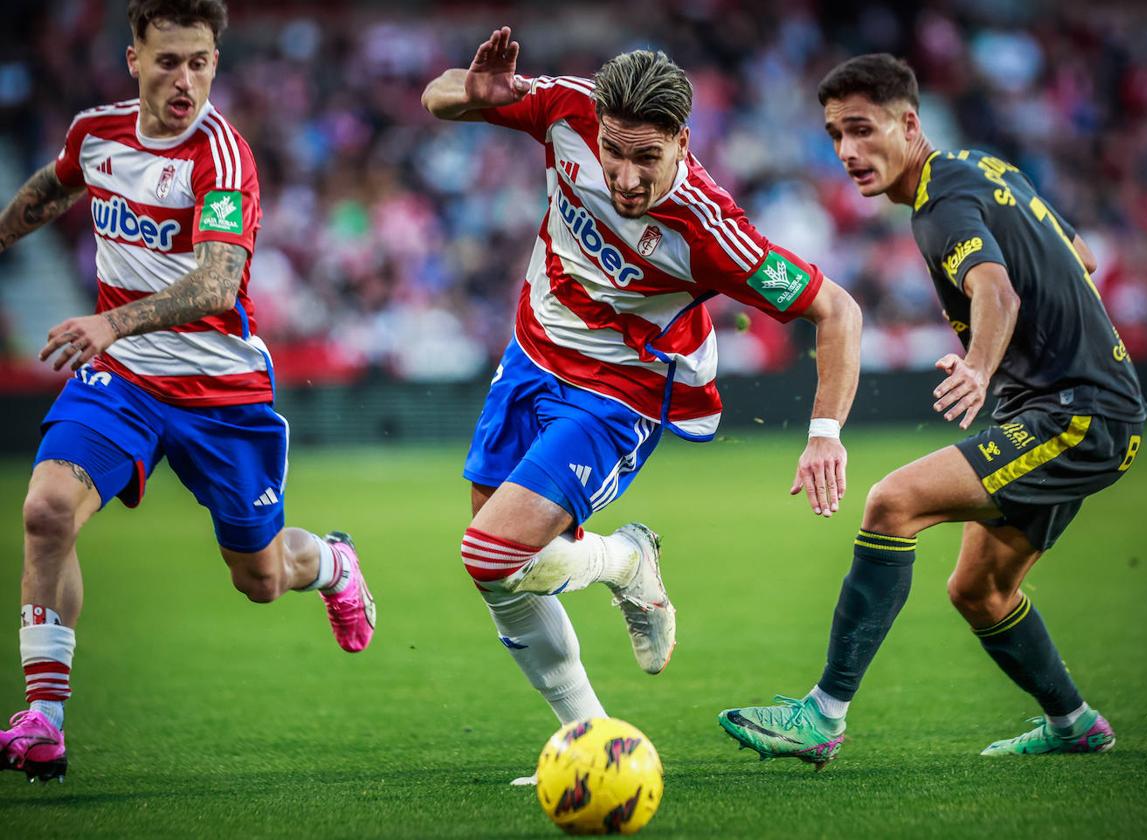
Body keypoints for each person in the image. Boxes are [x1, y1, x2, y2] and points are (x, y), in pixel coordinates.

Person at [421, 26, 861, 766]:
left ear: (683, 143)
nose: (625, 176)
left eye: (646, 158)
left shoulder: (713, 230)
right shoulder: (567, 110)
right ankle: (593, 740)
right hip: (530, 355)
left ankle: (626, 563)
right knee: (503, 574)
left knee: (489, 550)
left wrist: (825, 432)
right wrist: (473, 95)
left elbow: (837, 311)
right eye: (614, 152)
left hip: (619, 391)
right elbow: (435, 96)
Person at [719, 54, 1147, 767]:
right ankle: (1075, 723)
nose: (847, 152)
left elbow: (999, 294)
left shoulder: (939, 204)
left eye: (862, 129)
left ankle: (822, 717)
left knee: (892, 502)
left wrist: (982, 367)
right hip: (1081, 404)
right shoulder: (980, 169)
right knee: (979, 590)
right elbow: (1079, 254)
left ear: (909, 123)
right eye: (834, 135)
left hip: (1076, 412)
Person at [0, 0, 375, 783]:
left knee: (262, 580)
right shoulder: (95, 132)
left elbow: (217, 282)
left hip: (219, 393)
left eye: (200, 61)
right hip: (125, 383)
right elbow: (56, 183)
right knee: (45, 511)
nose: (186, 79)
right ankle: (43, 717)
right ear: (133, 56)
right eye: (168, 60)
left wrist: (112, 323)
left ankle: (333, 563)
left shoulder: (223, 159)